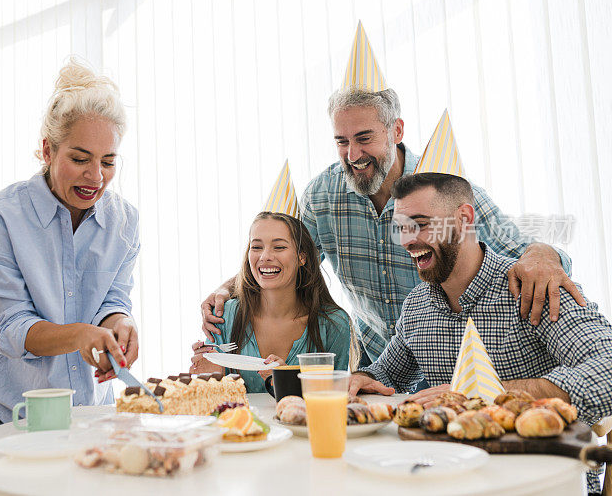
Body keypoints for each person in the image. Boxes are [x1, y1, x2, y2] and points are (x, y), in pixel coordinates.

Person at [202, 86, 583, 367]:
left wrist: (545, 256)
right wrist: (226, 289)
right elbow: (284, 258)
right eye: (341, 142)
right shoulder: (323, 196)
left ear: (396, 131)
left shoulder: (442, 189)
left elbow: (522, 250)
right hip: (384, 361)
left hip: (457, 357)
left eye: (364, 138)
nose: (353, 155)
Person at [349, 172, 612, 495]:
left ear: (464, 218)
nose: (406, 240)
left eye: (420, 224)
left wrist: (487, 394)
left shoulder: (534, 286)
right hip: (449, 477)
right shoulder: (418, 305)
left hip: (543, 481)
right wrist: (361, 377)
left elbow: (607, 369)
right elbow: (387, 375)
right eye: (401, 227)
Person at [0, 58, 140, 428]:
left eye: (108, 162)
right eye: (80, 159)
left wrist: (119, 322)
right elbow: (13, 328)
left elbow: (113, 297)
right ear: (47, 150)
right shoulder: (1, 219)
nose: (96, 177)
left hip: (89, 407)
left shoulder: (123, 222)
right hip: (9, 406)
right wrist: (80, 335)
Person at [190, 212, 357, 393]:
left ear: (302, 257)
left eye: (278, 247)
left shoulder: (333, 324)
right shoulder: (224, 316)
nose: (265, 256)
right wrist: (212, 377)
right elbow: (214, 402)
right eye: (256, 247)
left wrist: (287, 383)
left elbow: (332, 399)